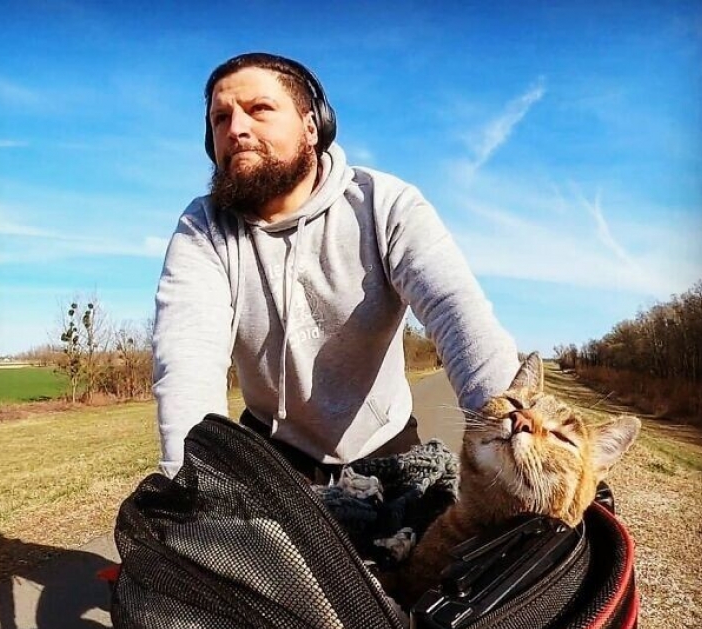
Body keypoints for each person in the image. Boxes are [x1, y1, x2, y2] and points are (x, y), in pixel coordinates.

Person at [153, 52, 519, 480]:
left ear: (312, 127)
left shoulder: (386, 203)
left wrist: (519, 443)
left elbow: (458, 314)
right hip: (272, 449)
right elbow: (186, 356)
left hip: (385, 441)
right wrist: (192, 480)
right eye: (220, 119)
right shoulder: (202, 227)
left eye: (260, 110)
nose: (236, 129)